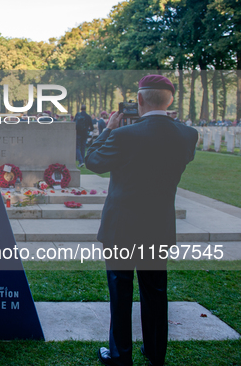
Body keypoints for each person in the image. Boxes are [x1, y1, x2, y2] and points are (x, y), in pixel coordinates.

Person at [85, 75, 198, 366]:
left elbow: (93, 161)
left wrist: (108, 130)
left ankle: (121, 355)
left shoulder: (123, 135)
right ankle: (155, 352)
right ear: (170, 100)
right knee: (155, 291)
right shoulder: (188, 135)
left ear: (138, 100)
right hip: (158, 224)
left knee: (121, 291)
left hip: (121, 225)